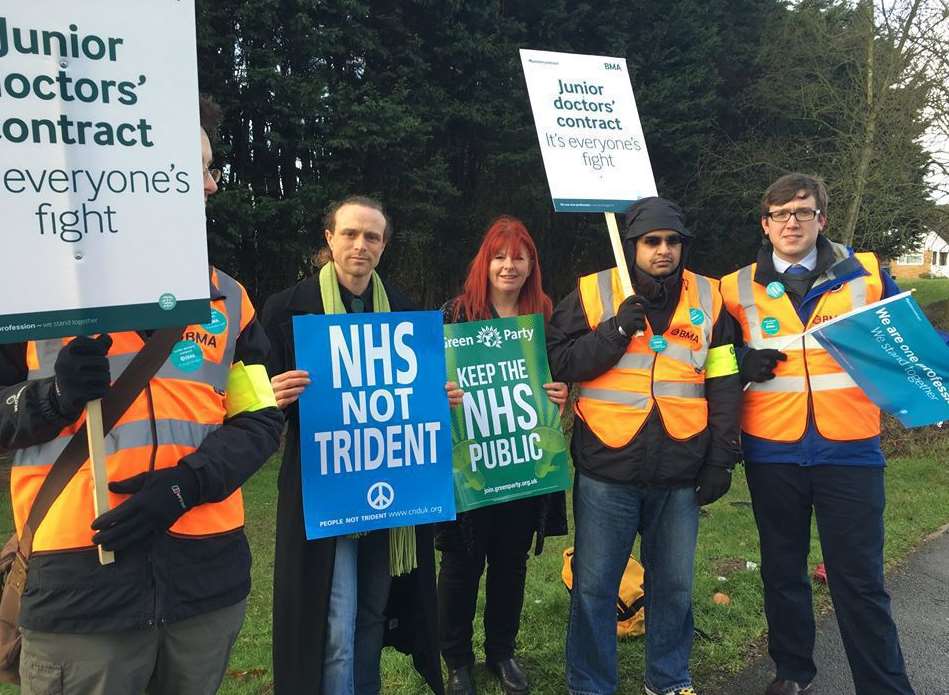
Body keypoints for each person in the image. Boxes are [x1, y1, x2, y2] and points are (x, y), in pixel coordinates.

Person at [0, 95, 284, 694]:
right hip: (81, 594)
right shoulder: (31, 290)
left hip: (205, 586)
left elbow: (260, 419)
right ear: (132, 172)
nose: (211, 187)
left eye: (211, 169)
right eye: (197, 169)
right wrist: (51, 398)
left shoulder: (229, 299)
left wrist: (185, 486)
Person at [720, 173, 915, 695]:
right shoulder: (734, 287)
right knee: (782, 573)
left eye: (802, 212)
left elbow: (908, 340)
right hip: (772, 450)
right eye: (780, 213)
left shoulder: (866, 273)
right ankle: (792, 672)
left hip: (849, 448)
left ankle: (884, 685)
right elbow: (709, 360)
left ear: (821, 219)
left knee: (859, 580)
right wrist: (740, 359)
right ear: (765, 225)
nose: (791, 222)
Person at [263, 195, 459, 695]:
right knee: (336, 619)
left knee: (372, 613)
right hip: (324, 493)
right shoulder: (287, 309)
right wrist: (271, 394)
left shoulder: (406, 310)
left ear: (384, 246)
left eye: (372, 236)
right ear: (329, 238)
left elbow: (415, 393)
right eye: (350, 233)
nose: (360, 244)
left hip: (390, 492)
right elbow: (248, 400)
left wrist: (439, 399)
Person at [547, 197, 742, 695]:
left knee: (673, 588)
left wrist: (722, 456)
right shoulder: (594, 292)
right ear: (632, 245)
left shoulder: (709, 296)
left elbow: (722, 378)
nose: (663, 251)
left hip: (681, 468)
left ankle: (670, 679)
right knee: (594, 589)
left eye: (672, 242)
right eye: (652, 242)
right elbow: (560, 361)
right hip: (605, 468)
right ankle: (590, 686)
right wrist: (614, 332)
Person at [437, 216, 569, 695]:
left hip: (522, 462)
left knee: (511, 564)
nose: (509, 266)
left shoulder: (546, 318)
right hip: (468, 465)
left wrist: (560, 391)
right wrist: (438, 391)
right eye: (499, 256)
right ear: (484, 262)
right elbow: (423, 382)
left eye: (518, 256)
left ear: (532, 263)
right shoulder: (454, 315)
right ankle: (455, 659)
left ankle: (502, 652)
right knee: (459, 564)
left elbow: (560, 374)